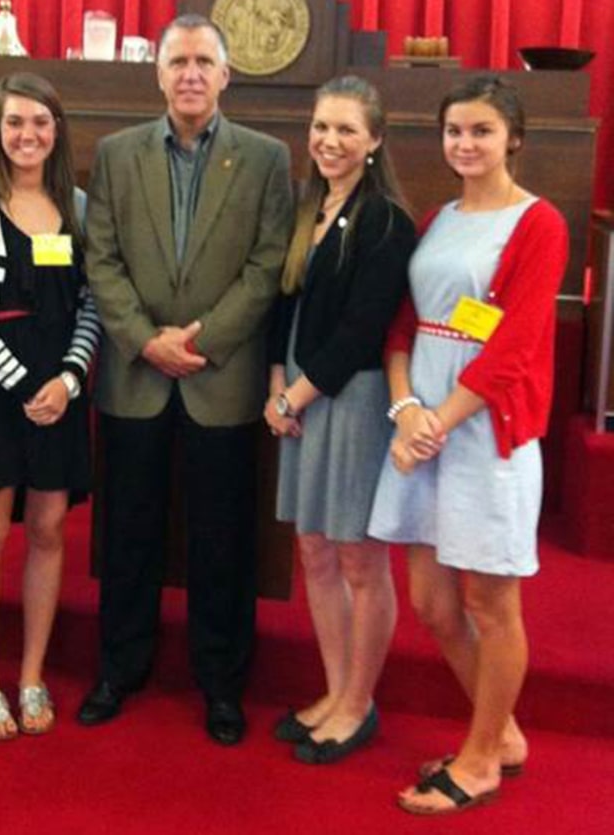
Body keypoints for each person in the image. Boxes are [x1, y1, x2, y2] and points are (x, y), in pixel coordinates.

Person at [80, 13, 293, 745]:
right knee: (128, 533)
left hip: (221, 377)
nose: (192, 74)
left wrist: (199, 342)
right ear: (159, 73)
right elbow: (100, 261)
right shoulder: (114, 154)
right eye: (179, 62)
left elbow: (268, 266)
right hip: (136, 378)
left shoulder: (266, 159)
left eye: (205, 61)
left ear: (227, 75)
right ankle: (119, 668)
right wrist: (146, 342)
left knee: (222, 540)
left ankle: (222, 681)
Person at [367, 75, 569, 813]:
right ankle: (503, 729)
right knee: (429, 597)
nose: (466, 144)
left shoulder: (538, 223)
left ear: (512, 137)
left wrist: (437, 424)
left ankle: (482, 756)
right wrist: (405, 407)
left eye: (481, 131)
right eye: (455, 131)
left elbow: (513, 346)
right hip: (422, 417)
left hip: (486, 427)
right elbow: (402, 325)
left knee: (489, 597)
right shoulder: (436, 217)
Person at [0, 73, 101, 740]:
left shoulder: (81, 208)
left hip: (61, 392)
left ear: (57, 129)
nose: (28, 134)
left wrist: (67, 380)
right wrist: (23, 386)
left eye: (40, 122)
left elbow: (91, 306)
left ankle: (32, 672)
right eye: (15, 123)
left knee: (47, 528)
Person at [265, 76, 416, 764]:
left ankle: (358, 703)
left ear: (375, 140)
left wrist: (293, 398)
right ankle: (333, 689)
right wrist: (276, 384)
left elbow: (362, 331)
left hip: (345, 398)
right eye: (322, 127)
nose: (330, 140)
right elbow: (284, 304)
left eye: (347, 130)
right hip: (297, 391)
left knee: (358, 557)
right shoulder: (311, 205)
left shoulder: (385, 219)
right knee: (316, 551)